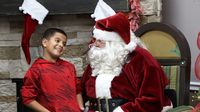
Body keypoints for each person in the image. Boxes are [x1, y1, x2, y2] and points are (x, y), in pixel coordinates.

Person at [80, 1, 173, 111]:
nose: (95, 44)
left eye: (100, 40)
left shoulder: (140, 58)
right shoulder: (98, 59)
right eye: (95, 40)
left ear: (114, 42)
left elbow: (152, 100)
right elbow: (81, 91)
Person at [21, 28, 83, 112]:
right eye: (57, 41)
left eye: (64, 44)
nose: (61, 45)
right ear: (45, 43)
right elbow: (27, 99)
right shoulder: (36, 69)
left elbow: (77, 90)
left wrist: (81, 108)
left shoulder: (69, 67)